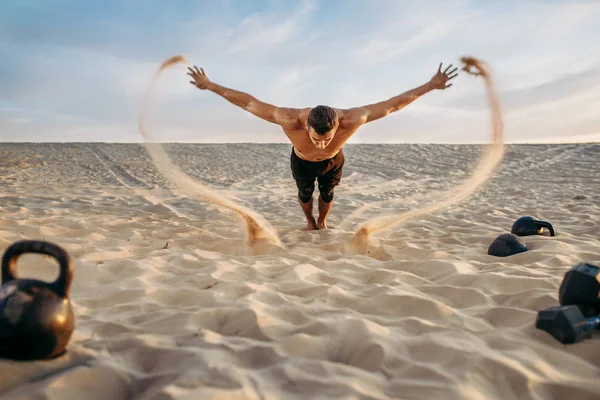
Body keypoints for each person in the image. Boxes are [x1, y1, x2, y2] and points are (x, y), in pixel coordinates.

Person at [188, 62, 458, 230]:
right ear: (307, 126)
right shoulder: (289, 118)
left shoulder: (353, 118)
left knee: (327, 194)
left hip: (333, 162)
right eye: (317, 138)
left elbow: (392, 105)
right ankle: (309, 221)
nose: (320, 143)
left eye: (326, 138)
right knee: (305, 194)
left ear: (336, 128)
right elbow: (248, 102)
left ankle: (323, 221)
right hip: (301, 161)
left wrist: (431, 86)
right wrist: (209, 85)